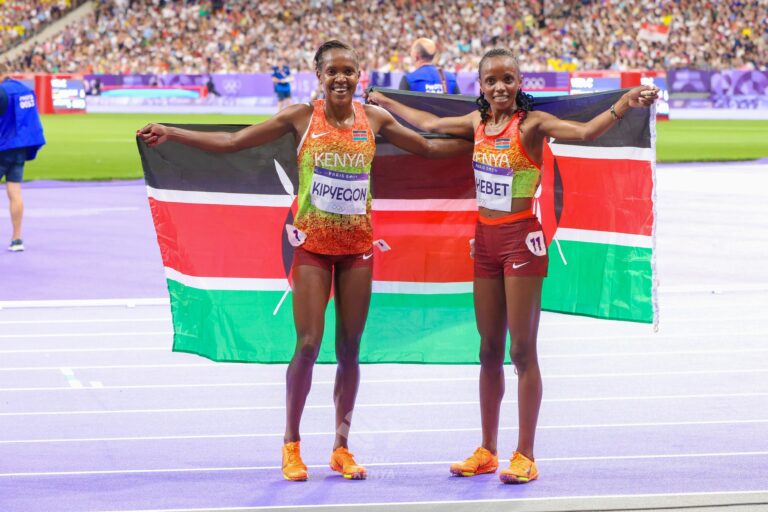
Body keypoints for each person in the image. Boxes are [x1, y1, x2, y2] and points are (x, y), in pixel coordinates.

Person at [137, 40, 471, 482]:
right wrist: (175, 133)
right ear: (318, 74)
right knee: (309, 343)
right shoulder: (301, 117)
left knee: (350, 350)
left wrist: (484, 144)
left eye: (349, 71)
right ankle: (291, 444)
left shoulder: (374, 118)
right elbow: (235, 141)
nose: (341, 78)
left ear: (359, 76)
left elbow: (428, 149)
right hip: (312, 247)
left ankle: (341, 447)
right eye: (333, 70)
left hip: (358, 249)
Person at [369, 48, 658, 484]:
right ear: (481, 87)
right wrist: (385, 101)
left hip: (521, 241)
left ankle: (526, 454)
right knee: (487, 351)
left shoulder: (533, 125)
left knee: (521, 351)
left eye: (508, 79)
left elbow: (583, 131)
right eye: (491, 81)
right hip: (484, 242)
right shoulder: (476, 124)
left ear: (519, 82)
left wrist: (625, 103)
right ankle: (487, 450)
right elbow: (427, 124)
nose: (500, 87)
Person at [0, 76, 46, 252]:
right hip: (19, 148)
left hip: (2, 146)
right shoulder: (24, 90)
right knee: (15, 192)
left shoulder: (3, 91)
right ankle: (17, 238)